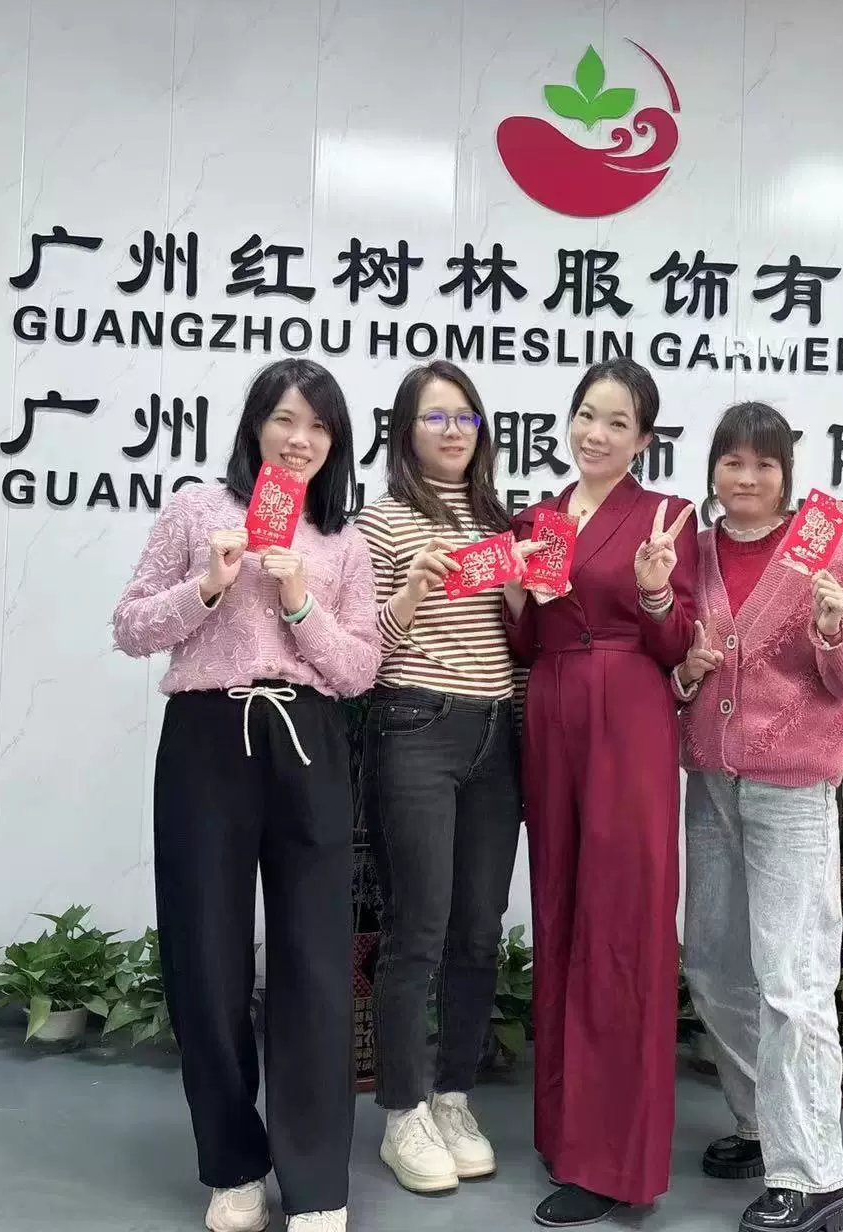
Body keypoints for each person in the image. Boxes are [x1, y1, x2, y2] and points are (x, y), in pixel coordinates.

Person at [111, 359, 380, 1232]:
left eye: (319, 426)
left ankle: (317, 1183)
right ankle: (232, 1166)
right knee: (207, 955)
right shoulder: (197, 510)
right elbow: (130, 626)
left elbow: (358, 669)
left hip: (308, 740)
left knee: (315, 961)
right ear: (255, 425)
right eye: (285, 419)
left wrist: (300, 602)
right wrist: (208, 585)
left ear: (337, 442)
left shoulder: (342, 540)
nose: (300, 439)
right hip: (207, 738)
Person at [672, 402, 843, 1232]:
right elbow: (672, 664)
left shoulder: (827, 553)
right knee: (715, 970)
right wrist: (684, 672)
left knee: (793, 982)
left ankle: (813, 1177)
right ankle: (764, 1124)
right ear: (713, 470)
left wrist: (834, 631)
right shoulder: (693, 553)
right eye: (732, 461)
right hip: (712, 785)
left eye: (764, 463)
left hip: (793, 792)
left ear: (786, 474)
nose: (747, 477)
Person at [503, 358, 699, 1229]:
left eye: (619, 422)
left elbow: (678, 643)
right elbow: (525, 640)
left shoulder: (667, 516)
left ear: (643, 439)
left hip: (630, 720)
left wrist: (655, 592)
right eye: (588, 414)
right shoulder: (540, 520)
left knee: (623, 924)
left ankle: (615, 1162)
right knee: (560, 910)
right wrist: (517, 593)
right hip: (551, 711)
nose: (597, 433)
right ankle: (564, 1131)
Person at [354, 361, 523, 1195]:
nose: (453, 431)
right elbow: (359, 653)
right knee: (417, 929)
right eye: (435, 417)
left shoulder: (502, 521)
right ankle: (402, 1112)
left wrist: (525, 594)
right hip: (416, 727)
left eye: (465, 417)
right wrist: (411, 593)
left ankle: (453, 1096)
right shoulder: (380, 522)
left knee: (479, 930)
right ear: (405, 430)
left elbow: (521, 645)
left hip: (498, 736)